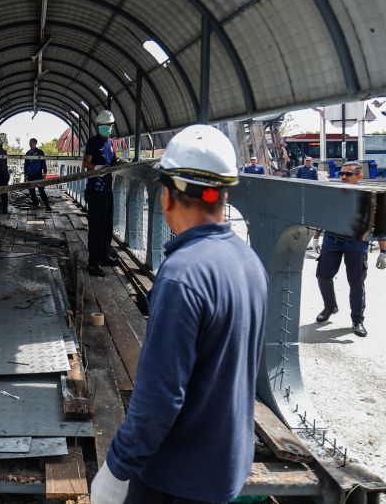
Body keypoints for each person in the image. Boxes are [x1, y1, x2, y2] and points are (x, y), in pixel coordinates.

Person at [90, 124, 267, 504]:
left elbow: (160, 398)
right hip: (225, 468)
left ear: (167, 196)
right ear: (221, 195)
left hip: (176, 479)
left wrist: (117, 468)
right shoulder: (249, 263)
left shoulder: (182, 275)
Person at [315, 161, 386, 338]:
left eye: (348, 174)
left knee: (355, 283)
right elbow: (323, 215)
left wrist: (383, 251)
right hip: (332, 240)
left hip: (356, 244)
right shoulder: (334, 194)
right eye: (342, 174)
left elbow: (379, 225)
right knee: (323, 276)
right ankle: (330, 306)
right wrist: (316, 238)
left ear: (359, 176)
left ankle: (357, 320)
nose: (343, 177)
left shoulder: (368, 197)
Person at [83, 110, 122, 276]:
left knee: (107, 226)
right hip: (95, 191)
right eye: (103, 126)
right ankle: (93, 263)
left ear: (112, 126)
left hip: (107, 190)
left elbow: (111, 160)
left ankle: (105, 255)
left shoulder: (110, 143)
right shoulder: (93, 142)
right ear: (99, 126)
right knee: (96, 228)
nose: (107, 128)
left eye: (109, 125)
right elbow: (85, 163)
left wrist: (117, 161)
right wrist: (96, 168)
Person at [296, 157, 322, 252]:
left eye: (309, 161)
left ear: (311, 162)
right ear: (304, 162)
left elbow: (316, 179)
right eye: (306, 161)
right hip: (302, 188)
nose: (308, 162)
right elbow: (297, 178)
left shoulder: (313, 169)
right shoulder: (300, 168)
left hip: (311, 189)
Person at [24, 138, 52, 211]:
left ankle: (47, 205)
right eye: (30, 142)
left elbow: (43, 163)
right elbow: (26, 165)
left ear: (35, 143)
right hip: (30, 175)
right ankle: (35, 203)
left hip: (38, 174)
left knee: (41, 190)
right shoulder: (28, 153)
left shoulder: (40, 152)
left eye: (32, 142)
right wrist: (25, 175)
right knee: (31, 191)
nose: (30, 144)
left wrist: (45, 172)